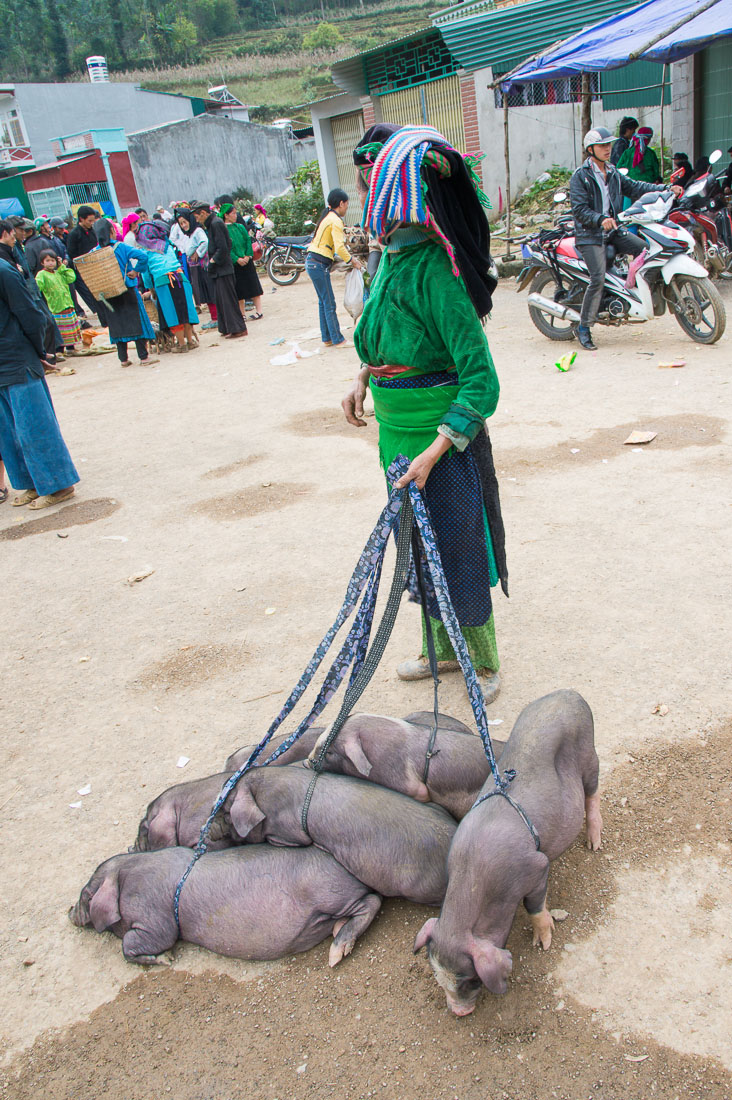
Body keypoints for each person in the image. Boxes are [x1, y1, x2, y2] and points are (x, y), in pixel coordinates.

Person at [343, 123, 505, 703]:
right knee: (417, 545)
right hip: (395, 437)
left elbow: (481, 380)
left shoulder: (436, 267)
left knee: (459, 547)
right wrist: (363, 375)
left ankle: (482, 662)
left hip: (440, 445)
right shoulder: (389, 259)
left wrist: (438, 449)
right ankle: (439, 649)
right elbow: (387, 336)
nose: (365, 191)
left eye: (373, 179)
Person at [569, 126, 681, 351]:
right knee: (597, 278)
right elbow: (579, 209)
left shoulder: (611, 171)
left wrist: (665, 189)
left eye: (609, 145)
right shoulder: (580, 177)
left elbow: (636, 187)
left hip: (613, 230)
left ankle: (629, 290)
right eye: (602, 146)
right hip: (590, 235)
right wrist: (600, 218)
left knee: (646, 250)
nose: (607, 149)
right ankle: (584, 327)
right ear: (590, 149)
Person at [0, 218, 79, 510]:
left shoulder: (4, 271)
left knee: (33, 426)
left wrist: (38, 351)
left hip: (18, 358)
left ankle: (58, 485)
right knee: (9, 431)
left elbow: (31, 314)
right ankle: (33, 483)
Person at [306, 188, 362, 348]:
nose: (347, 208)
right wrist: (353, 261)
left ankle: (327, 338)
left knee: (324, 302)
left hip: (313, 262)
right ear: (341, 203)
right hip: (318, 264)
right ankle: (338, 339)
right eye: (347, 204)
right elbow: (340, 247)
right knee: (329, 303)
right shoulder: (335, 220)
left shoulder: (328, 217)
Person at [136, 221, 199, 352]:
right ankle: (190, 341)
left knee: (173, 313)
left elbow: (146, 275)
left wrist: (150, 288)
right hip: (181, 278)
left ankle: (181, 345)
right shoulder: (167, 245)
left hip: (163, 282)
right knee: (185, 310)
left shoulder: (145, 251)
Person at [191, 201, 247, 339]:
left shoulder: (216, 223)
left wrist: (213, 261)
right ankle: (227, 328)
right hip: (220, 269)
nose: (197, 220)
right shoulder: (212, 224)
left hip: (223, 268)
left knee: (228, 300)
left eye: (197, 217)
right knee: (221, 300)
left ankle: (238, 329)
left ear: (203, 213)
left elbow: (224, 246)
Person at [100, 239, 159, 367]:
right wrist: (136, 271)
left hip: (108, 294)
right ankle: (143, 357)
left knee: (117, 326)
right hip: (127, 289)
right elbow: (142, 256)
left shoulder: (95, 251)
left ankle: (123, 360)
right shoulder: (120, 247)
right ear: (111, 232)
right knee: (137, 322)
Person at [220, 203, 264, 319]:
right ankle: (242, 313)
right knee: (239, 289)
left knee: (253, 285)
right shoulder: (223, 230)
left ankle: (259, 311)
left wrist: (247, 256)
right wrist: (236, 259)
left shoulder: (240, 227)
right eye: (233, 213)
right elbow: (226, 247)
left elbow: (247, 242)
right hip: (235, 263)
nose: (235, 215)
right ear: (226, 215)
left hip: (246, 260)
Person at [35, 250, 81, 354]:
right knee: (60, 330)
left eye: (53, 260)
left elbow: (71, 278)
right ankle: (59, 350)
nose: (51, 263)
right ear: (42, 263)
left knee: (69, 328)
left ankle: (70, 348)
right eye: (47, 261)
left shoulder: (59, 272)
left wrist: (62, 267)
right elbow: (38, 286)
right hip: (56, 308)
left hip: (67, 304)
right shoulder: (41, 274)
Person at [66, 206, 108, 322]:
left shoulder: (93, 231)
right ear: (81, 219)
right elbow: (72, 253)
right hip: (85, 269)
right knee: (94, 295)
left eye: (93, 220)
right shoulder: (74, 234)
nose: (92, 223)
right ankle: (104, 319)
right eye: (89, 221)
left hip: (97, 265)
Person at [182, 210, 218, 330]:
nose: (184, 225)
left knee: (209, 291)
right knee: (206, 291)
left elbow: (205, 242)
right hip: (198, 267)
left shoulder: (198, 231)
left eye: (185, 222)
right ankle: (215, 317)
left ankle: (216, 317)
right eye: (181, 224)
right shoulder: (191, 233)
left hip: (203, 265)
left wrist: (198, 252)